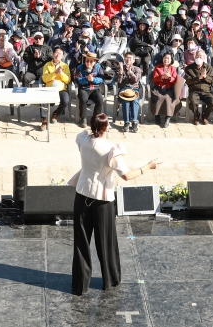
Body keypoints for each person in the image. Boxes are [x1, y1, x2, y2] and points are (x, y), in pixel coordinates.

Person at [66, 113, 160, 296]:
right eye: (107, 125)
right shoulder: (111, 150)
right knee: (106, 242)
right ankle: (111, 280)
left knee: (81, 242)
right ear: (103, 128)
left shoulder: (83, 140)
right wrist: (148, 166)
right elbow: (126, 175)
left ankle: (80, 284)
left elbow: (85, 134)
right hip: (102, 200)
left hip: (82, 194)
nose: (109, 128)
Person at [42, 46, 72, 125]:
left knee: (65, 100)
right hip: (49, 88)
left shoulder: (65, 66)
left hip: (60, 89)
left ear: (62, 56)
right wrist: (54, 73)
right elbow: (44, 79)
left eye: (60, 54)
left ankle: (56, 113)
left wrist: (61, 73)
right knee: (43, 99)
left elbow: (68, 80)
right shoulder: (47, 65)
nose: (57, 55)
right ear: (53, 54)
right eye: (56, 53)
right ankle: (44, 119)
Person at [74, 50, 104, 127]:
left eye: (91, 61)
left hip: (94, 89)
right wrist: (86, 79)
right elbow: (78, 80)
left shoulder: (98, 67)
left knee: (100, 98)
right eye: (87, 61)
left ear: (94, 62)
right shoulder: (79, 68)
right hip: (84, 88)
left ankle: (95, 118)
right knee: (83, 99)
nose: (89, 63)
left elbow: (101, 79)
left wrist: (93, 79)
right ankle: (83, 118)